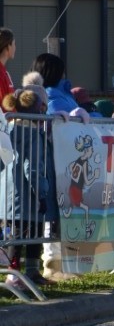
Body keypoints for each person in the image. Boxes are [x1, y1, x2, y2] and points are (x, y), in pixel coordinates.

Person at [2, 86, 53, 287]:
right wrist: (41, 194)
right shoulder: (32, 133)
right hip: (28, 197)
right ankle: (25, 273)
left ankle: (14, 272)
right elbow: (32, 168)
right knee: (33, 233)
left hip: (7, 196)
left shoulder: (7, 129)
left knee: (13, 236)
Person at [0, 28, 17, 104]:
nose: (15, 47)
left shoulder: (4, 72)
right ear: (8, 46)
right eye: (14, 44)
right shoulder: (1, 74)